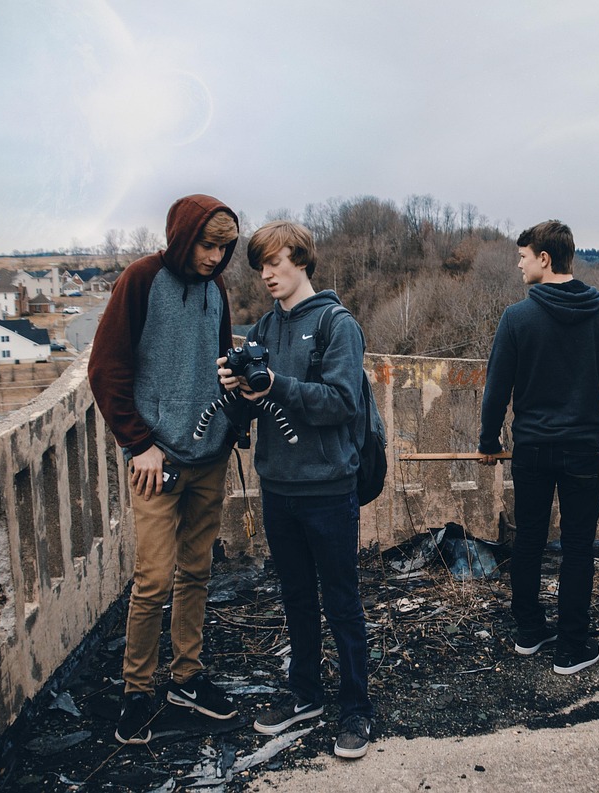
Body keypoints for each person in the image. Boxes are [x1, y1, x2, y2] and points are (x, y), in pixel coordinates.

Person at [218, 220, 376, 759]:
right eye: (259, 265)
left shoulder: (337, 324)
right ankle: (305, 693)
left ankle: (356, 709)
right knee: (296, 597)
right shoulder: (262, 328)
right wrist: (238, 391)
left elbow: (341, 403)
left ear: (301, 260)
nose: (266, 274)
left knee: (342, 599)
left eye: (274, 262)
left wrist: (274, 385)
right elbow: (258, 407)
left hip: (329, 487)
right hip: (278, 485)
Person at [88, 194, 242, 744]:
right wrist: (139, 444)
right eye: (207, 244)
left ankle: (187, 677)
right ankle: (136, 690)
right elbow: (105, 368)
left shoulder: (216, 288)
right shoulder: (140, 279)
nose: (215, 257)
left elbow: (221, 360)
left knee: (197, 572)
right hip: (157, 460)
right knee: (153, 579)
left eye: (224, 248)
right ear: (183, 236)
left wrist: (234, 409)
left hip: (209, 457)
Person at [478, 219, 599, 675]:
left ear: (544, 258)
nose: (519, 265)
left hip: (533, 450)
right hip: (582, 451)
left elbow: (496, 390)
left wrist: (488, 441)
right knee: (578, 547)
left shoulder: (517, 318)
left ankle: (530, 632)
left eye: (523, 256)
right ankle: (572, 647)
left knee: (530, 541)